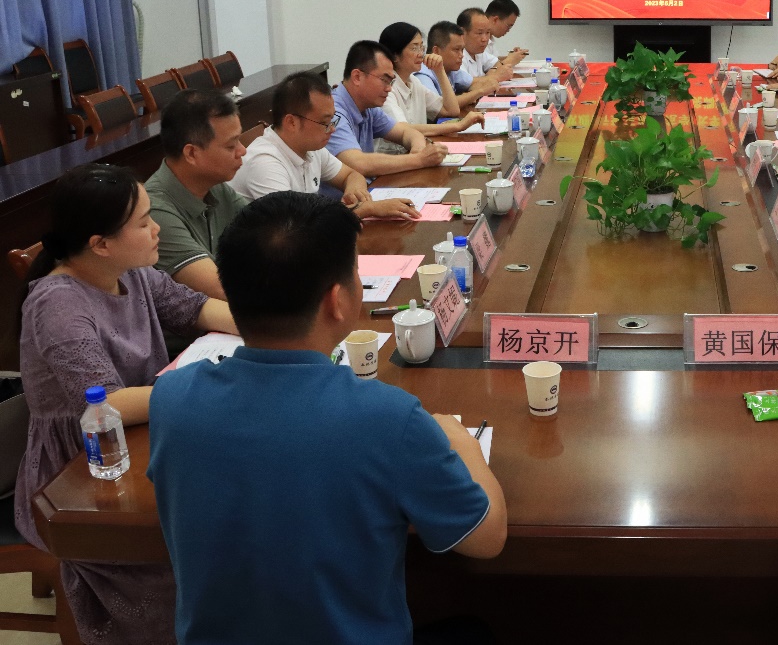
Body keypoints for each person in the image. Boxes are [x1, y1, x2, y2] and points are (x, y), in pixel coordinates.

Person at [148, 191, 507, 644]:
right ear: (338, 300)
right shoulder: (389, 418)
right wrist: (465, 446)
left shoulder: (172, 398)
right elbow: (486, 539)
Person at [16, 163, 236, 645]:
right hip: (84, 469)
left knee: (232, 504)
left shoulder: (130, 273)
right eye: (143, 222)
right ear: (100, 243)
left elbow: (196, 307)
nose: (157, 229)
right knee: (193, 548)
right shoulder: (59, 305)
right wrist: (213, 388)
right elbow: (107, 403)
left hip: (146, 430)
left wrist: (270, 332)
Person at [229, 70, 419, 220]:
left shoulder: (310, 147)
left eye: (332, 120)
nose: (332, 129)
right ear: (291, 122)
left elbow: (351, 175)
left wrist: (355, 191)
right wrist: (366, 209)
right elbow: (293, 228)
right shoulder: (265, 162)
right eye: (324, 122)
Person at [144, 89, 249, 299]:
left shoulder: (215, 186)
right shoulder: (154, 211)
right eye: (231, 145)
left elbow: (269, 230)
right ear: (191, 153)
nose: (243, 150)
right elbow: (220, 289)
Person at [327, 40, 447, 183]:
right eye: (384, 80)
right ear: (357, 77)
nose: (389, 88)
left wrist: (418, 150)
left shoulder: (368, 108)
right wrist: (419, 159)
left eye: (391, 82)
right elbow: (358, 163)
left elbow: (406, 132)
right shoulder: (332, 112)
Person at [376, 21, 483, 147]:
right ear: (394, 55)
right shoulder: (385, 89)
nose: (421, 54)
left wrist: (440, 71)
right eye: (414, 48)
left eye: (421, 47)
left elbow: (451, 110)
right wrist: (457, 126)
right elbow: (403, 129)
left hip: (416, 151)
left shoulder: (413, 82)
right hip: (393, 157)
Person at [456, 7, 513, 89]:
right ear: (462, 32)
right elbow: (465, 84)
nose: (485, 39)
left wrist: (492, 72)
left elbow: (498, 64)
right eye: (479, 33)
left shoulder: (478, 53)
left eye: (487, 32)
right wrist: (495, 76)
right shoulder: (457, 56)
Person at [483, 0, 529, 68]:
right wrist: (510, 60)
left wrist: (512, 57)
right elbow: (489, 70)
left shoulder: (490, 39)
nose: (508, 30)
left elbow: (490, 62)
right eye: (508, 26)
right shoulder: (478, 41)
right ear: (495, 20)